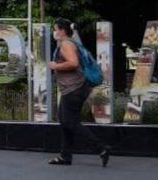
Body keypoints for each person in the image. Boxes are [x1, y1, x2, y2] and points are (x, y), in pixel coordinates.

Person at [47, 18, 110, 166]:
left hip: (74, 88)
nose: (54, 32)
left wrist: (55, 65)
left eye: (56, 29)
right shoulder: (72, 43)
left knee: (70, 122)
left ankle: (101, 148)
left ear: (62, 31)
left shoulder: (66, 44)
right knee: (64, 121)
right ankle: (65, 156)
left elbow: (73, 62)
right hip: (72, 88)